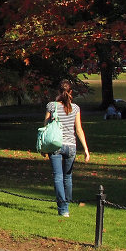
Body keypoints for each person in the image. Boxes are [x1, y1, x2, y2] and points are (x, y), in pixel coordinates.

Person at [44, 80, 90, 217]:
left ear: (58, 91)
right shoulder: (75, 108)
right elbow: (79, 129)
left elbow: (45, 127)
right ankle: (66, 204)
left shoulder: (52, 106)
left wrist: (43, 147)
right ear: (71, 92)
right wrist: (86, 150)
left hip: (55, 144)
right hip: (71, 146)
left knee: (58, 176)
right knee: (67, 177)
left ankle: (63, 208)